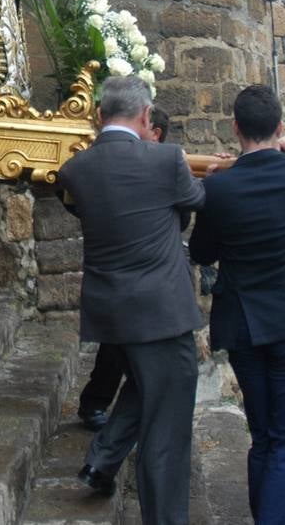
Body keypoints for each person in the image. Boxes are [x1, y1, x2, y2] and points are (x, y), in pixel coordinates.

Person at [189, 84, 285, 525]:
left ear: (235, 127)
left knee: (263, 437)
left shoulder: (218, 189)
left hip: (245, 326)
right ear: (278, 127)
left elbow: (201, 252)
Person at [57, 76, 204, 525]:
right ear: (146, 117)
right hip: (162, 313)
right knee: (167, 437)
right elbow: (195, 199)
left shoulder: (74, 170)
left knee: (147, 389)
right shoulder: (166, 160)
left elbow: (82, 208)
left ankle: (102, 461)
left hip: (111, 312)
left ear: (99, 116)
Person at [76, 104, 171, 431]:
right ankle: (96, 404)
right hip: (122, 270)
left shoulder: (163, 164)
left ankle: (102, 418)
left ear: (154, 133)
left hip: (151, 272)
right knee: (118, 348)